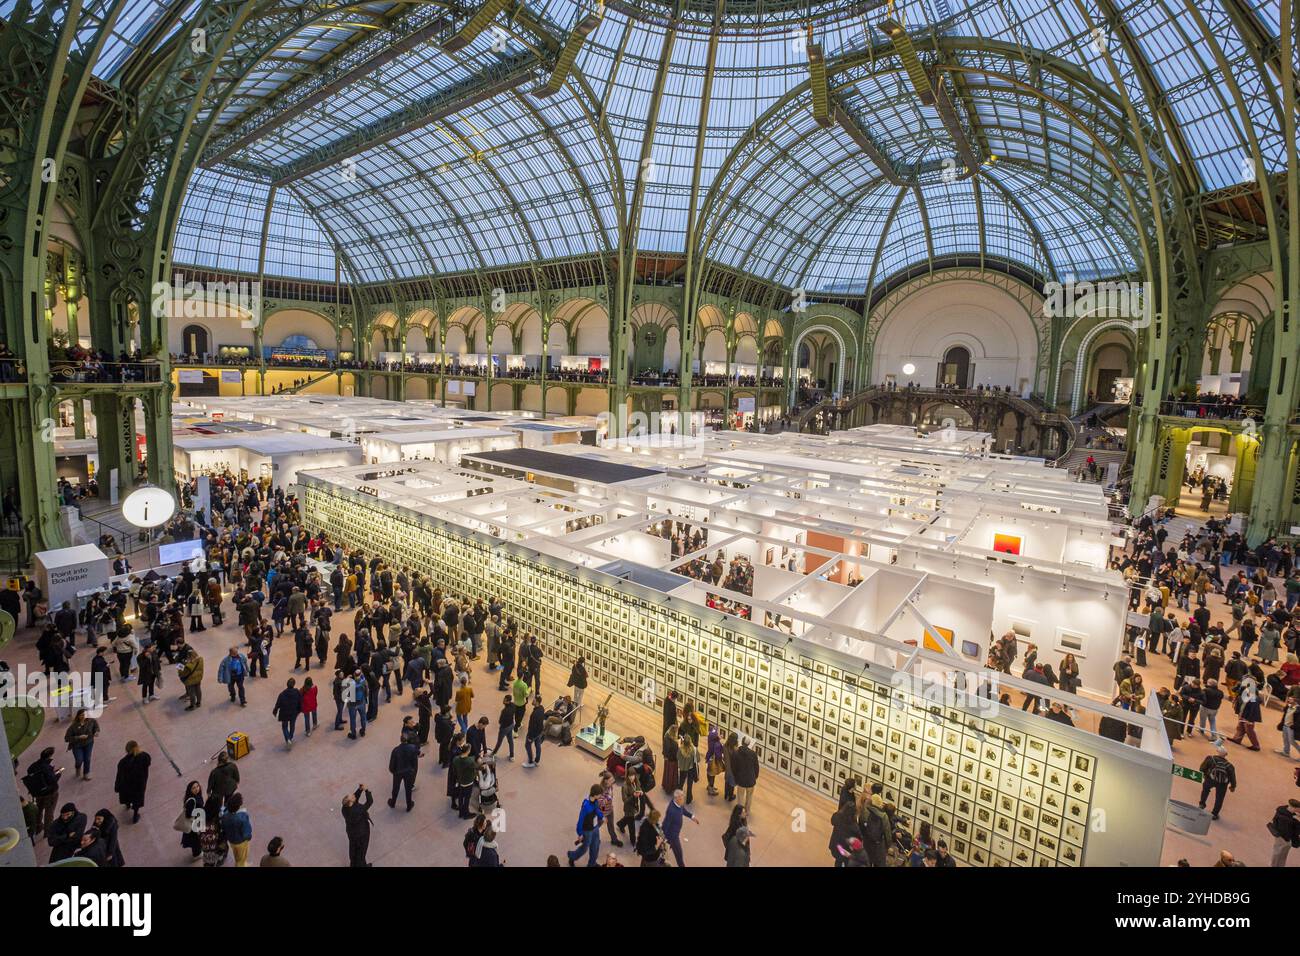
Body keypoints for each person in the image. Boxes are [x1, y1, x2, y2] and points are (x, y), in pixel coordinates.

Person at [113, 740, 151, 823]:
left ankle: (127, 804)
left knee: (127, 797)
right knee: (137, 800)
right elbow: (148, 762)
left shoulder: (123, 762)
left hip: (126, 785)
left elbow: (119, 775)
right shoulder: (144, 757)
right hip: (139, 785)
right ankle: (135, 816)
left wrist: (117, 786)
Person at [567, 784, 604, 866]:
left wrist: (601, 816)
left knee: (596, 846)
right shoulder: (586, 806)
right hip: (587, 831)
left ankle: (592, 863)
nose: (601, 796)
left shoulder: (595, 801)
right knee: (584, 848)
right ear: (595, 795)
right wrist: (580, 833)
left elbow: (596, 809)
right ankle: (572, 856)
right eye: (600, 794)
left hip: (595, 828)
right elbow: (580, 820)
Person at [662, 788, 699, 866]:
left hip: (675, 833)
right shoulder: (671, 811)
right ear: (677, 799)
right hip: (673, 836)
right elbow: (666, 824)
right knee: (679, 854)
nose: (683, 800)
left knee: (668, 851)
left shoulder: (679, 804)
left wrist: (692, 817)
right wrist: (663, 837)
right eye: (682, 799)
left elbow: (683, 811)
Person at [1198, 751, 1237, 820]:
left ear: (1218, 752)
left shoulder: (1210, 759)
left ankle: (1202, 804)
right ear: (1225, 755)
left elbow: (1201, 768)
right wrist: (1232, 786)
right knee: (1219, 798)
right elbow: (1232, 777)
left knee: (1205, 791)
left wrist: (1205, 774)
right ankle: (1214, 814)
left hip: (1210, 779)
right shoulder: (1230, 766)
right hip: (1222, 784)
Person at [341, 785, 374, 867]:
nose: (353, 795)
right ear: (350, 802)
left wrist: (359, 790)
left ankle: (353, 865)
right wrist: (367, 791)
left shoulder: (344, 808)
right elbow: (369, 802)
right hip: (362, 834)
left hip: (352, 833)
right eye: (352, 797)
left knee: (353, 851)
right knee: (361, 853)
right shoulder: (357, 810)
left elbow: (355, 798)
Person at [63, 709, 100, 781]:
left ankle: (86, 773)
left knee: (87, 758)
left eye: (85, 715)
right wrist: (78, 737)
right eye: (81, 715)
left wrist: (96, 732)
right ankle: (78, 767)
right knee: (79, 760)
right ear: (78, 716)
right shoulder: (73, 726)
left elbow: (96, 727)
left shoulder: (92, 721)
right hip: (77, 745)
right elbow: (67, 738)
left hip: (88, 743)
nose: (83, 716)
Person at [220, 792, 252, 866]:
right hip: (241, 842)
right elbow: (246, 833)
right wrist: (249, 837)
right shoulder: (242, 817)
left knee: (236, 855)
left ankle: (240, 863)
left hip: (232, 840)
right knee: (242, 858)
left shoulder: (225, 815)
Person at [205, 751, 240, 820]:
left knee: (218, 803)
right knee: (228, 800)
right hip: (230, 788)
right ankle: (226, 812)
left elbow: (210, 784)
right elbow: (237, 778)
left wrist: (209, 792)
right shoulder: (232, 766)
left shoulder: (214, 772)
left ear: (219, 760)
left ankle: (219, 814)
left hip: (218, 791)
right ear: (227, 760)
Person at [388, 738, 419, 812]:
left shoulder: (395, 750)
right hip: (409, 772)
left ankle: (393, 802)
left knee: (395, 788)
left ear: (400, 740)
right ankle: (409, 805)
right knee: (408, 789)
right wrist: (413, 770)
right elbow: (415, 762)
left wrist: (393, 771)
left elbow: (392, 764)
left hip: (398, 772)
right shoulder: (413, 748)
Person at [731, 735, 760, 814]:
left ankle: (740, 812)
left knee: (740, 797)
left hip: (741, 780)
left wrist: (735, 777)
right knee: (749, 796)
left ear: (742, 742)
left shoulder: (736, 753)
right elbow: (756, 767)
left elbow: (734, 767)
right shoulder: (753, 754)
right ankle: (747, 811)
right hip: (751, 779)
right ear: (749, 744)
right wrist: (755, 776)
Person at [272, 677, 303, 748]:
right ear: (294, 684)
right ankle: (290, 737)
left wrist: (275, 711)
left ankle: (288, 739)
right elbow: (300, 701)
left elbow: (278, 704)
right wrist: (300, 709)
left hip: (284, 713)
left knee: (284, 727)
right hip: (293, 713)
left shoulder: (282, 694)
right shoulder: (297, 692)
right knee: (292, 725)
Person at [1268, 799, 1300, 867]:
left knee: (1281, 855)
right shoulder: (1286, 819)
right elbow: (1288, 832)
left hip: (1282, 838)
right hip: (1283, 839)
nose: (1299, 811)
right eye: (1298, 809)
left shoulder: (1282, 810)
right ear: (1294, 808)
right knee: (1278, 855)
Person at [180, 780, 204, 859]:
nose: (196, 789)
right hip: (194, 822)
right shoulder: (191, 800)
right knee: (195, 839)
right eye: (193, 788)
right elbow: (189, 814)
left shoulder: (198, 796)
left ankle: (198, 851)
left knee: (197, 838)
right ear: (190, 790)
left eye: (197, 786)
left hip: (198, 820)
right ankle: (196, 854)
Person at [524, 694, 545, 768]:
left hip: (533, 734)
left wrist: (530, 736)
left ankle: (530, 762)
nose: (532, 701)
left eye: (534, 700)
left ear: (537, 702)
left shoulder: (535, 714)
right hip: (539, 732)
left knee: (527, 745)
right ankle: (537, 760)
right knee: (538, 746)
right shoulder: (542, 708)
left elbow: (532, 727)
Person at [491, 693, 515, 760]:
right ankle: (512, 755)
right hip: (511, 725)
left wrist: (501, 724)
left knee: (499, 741)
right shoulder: (513, 705)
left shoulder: (504, 711)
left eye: (505, 700)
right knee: (510, 740)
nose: (503, 701)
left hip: (504, 728)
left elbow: (500, 721)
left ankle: (494, 753)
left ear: (508, 701)